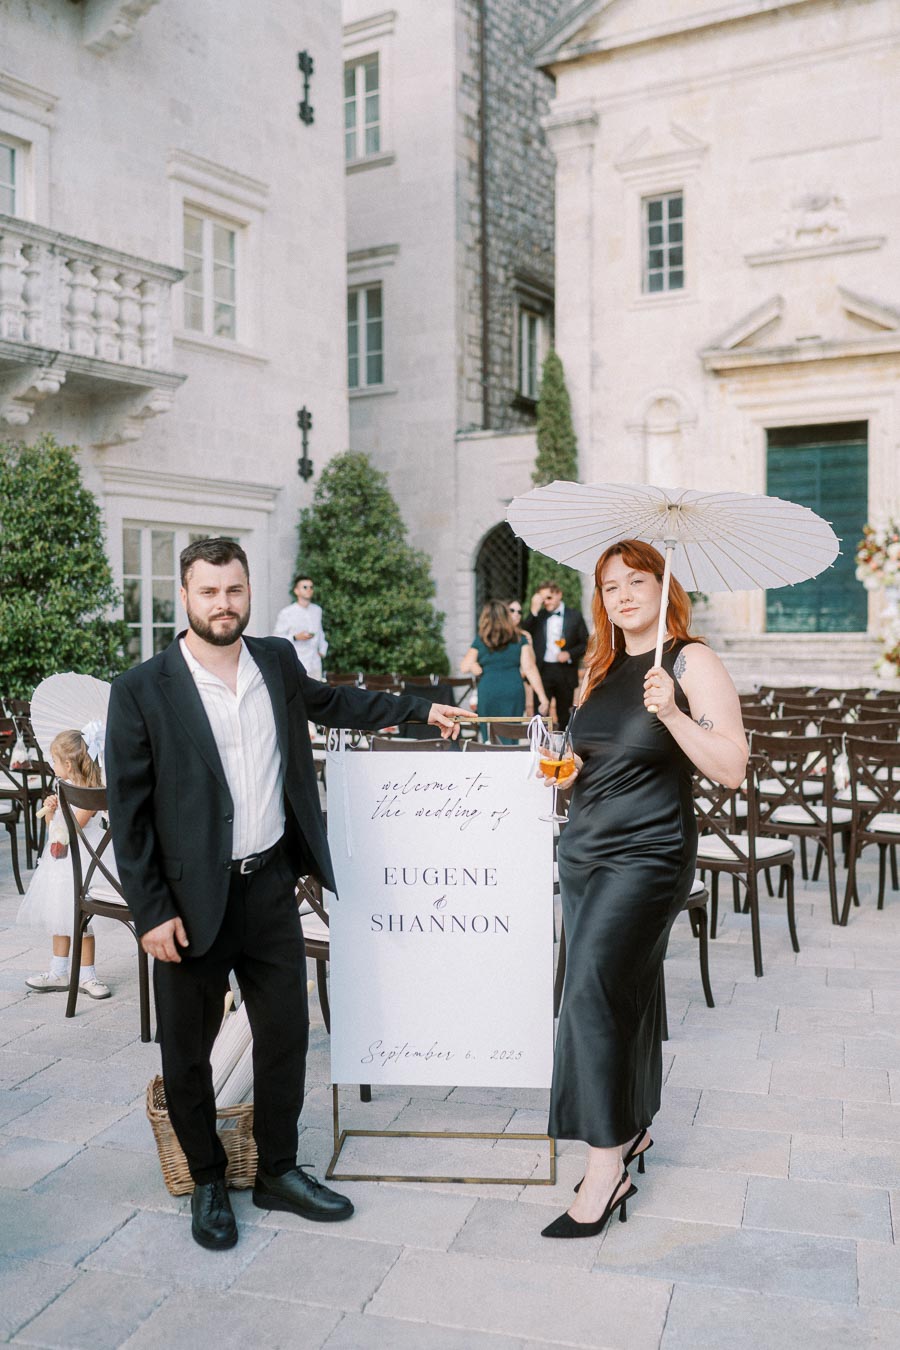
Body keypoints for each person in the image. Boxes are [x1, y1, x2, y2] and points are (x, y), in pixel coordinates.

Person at [105, 537, 471, 1252]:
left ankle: (276, 1170)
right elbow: (130, 811)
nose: (222, 604)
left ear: (250, 589)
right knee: (187, 1049)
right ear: (184, 596)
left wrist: (422, 712)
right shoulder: (141, 689)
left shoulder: (275, 659)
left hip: (271, 885)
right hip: (188, 902)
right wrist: (150, 911)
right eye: (208, 592)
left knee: (286, 1038)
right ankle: (207, 1179)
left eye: (234, 590)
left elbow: (335, 702)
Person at [538, 539, 747, 1239]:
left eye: (635, 580)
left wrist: (677, 715)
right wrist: (562, 770)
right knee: (623, 987)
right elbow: (589, 759)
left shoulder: (690, 661)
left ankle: (604, 1167)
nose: (622, 594)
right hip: (586, 851)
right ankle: (632, 1129)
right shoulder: (598, 667)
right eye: (609, 585)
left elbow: (732, 769)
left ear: (663, 585)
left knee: (592, 990)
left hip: (649, 854)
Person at [17, 728, 111, 1000]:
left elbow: (73, 829)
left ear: (68, 764)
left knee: (82, 919)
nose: (52, 765)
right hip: (59, 862)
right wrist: (51, 811)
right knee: (59, 914)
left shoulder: (90, 791)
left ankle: (88, 976)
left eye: (55, 761)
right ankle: (58, 970)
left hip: (84, 861)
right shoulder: (63, 785)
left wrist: (61, 811)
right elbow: (55, 831)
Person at [460, 600, 548, 737]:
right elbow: (530, 668)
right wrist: (542, 697)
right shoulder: (519, 639)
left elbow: (464, 666)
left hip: (488, 691)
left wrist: (474, 665)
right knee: (511, 734)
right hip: (513, 691)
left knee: (489, 737)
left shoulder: (482, 639)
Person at [522, 581, 589, 729]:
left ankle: (562, 748)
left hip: (565, 671)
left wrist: (569, 654)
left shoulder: (575, 616)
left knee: (565, 714)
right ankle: (539, 747)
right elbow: (523, 633)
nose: (546, 602)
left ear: (559, 594)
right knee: (540, 715)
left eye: (549, 597)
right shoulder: (538, 616)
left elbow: (585, 644)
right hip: (542, 670)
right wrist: (533, 610)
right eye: (543, 599)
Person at [273, 574, 328, 679]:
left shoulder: (317, 610)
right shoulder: (287, 613)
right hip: (297, 662)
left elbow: (320, 632)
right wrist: (295, 637)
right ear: (296, 591)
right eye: (305, 587)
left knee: (316, 694)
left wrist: (322, 651)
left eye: (311, 587)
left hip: (315, 663)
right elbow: (276, 638)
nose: (309, 590)